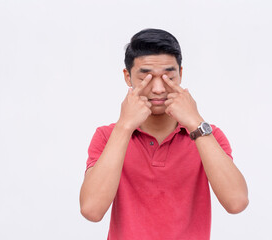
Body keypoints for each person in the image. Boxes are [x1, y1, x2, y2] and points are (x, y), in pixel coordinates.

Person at [79, 28, 249, 240]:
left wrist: (195, 122)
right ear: (128, 77)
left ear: (181, 74)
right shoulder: (107, 136)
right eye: (146, 77)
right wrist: (124, 126)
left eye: (169, 76)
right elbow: (91, 210)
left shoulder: (207, 135)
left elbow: (237, 202)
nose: (159, 88)